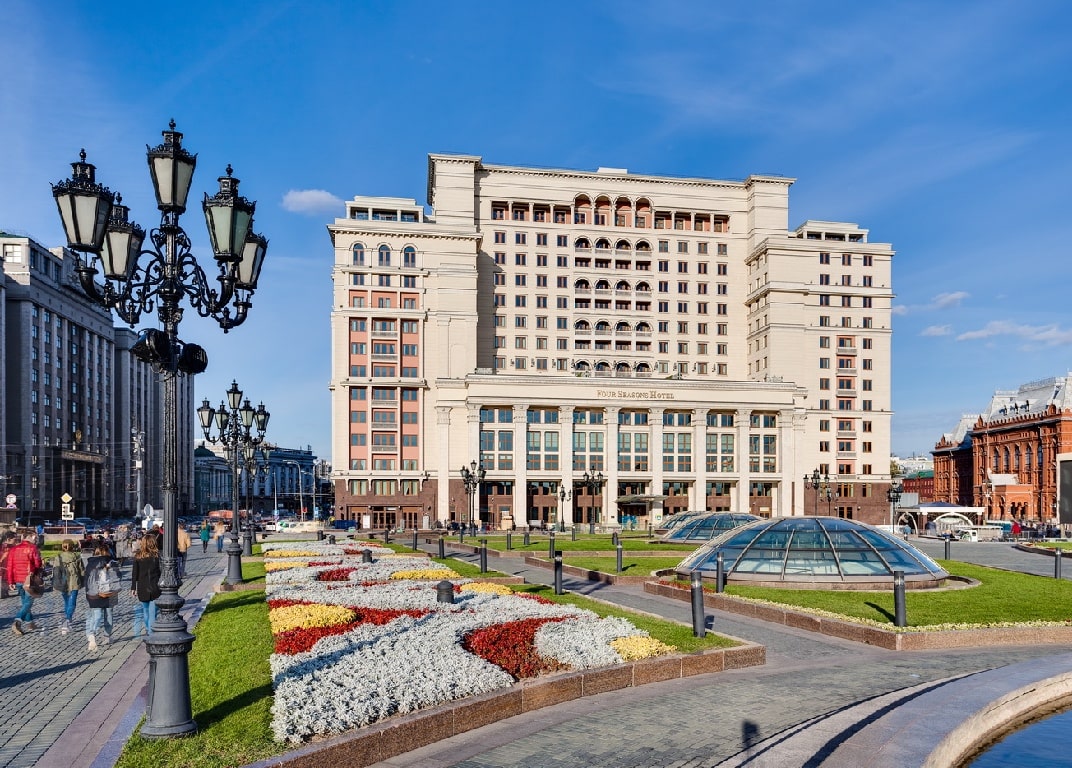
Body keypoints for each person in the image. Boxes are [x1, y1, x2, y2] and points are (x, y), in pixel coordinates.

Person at [6, 531, 44, 634]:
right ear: (29, 537)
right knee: (28, 603)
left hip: (18, 580)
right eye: (34, 537)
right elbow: (37, 564)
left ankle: (30, 623)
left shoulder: (14, 549)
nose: (36, 540)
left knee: (24, 602)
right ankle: (17, 621)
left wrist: (10, 581)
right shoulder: (32, 548)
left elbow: (9, 566)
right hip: (29, 580)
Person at [84, 541, 118, 651]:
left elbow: (86, 580)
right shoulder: (111, 562)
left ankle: (92, 634)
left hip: (94, 593)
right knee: (109, 615)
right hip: (109, 592)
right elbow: (117, 576)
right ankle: (107, 636)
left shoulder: (90, 563)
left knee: (95, 615)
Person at [51, 538, 85, 634]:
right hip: (74, 580)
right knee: (72, 601)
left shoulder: (58, 557)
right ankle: (68, 619)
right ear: (72, 546)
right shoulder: (77, 556)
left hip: (63, 581)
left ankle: (68, 619)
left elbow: (55, 571)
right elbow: (82, 570)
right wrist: (83, 581)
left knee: (66, 601)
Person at [130, 532, 161, 638]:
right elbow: (160, 572)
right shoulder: (157, 556)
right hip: (155, 586)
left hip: (142, 586)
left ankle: (148, 630)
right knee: (153, 612)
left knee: (146, 611)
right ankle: (151, 632)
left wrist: (133, 587)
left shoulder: (138, 556)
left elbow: (135, 573)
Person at [0, 531, 16, 599]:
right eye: (14, 539)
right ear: (8, 539)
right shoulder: (2, 547)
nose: (15, 541)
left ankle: (5, 591)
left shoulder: (13, 547)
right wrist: (3, 557)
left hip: (8, 570)